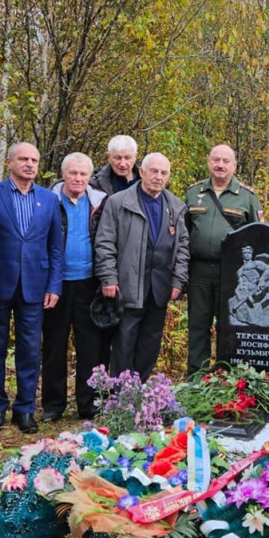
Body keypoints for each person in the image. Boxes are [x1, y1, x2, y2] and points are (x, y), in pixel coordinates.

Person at [0, 142, 63, 435]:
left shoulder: (49, 199)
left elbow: (55, 247)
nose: (29, 164)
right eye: (24, 159)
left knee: (29, 349)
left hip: (35, 286)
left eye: (34, 160)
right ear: (9, 162)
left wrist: (54, 284)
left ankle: (25, 408)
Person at [94, 152, 190, 379]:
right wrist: (108, 278)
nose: (158, 177)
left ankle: (141, 389)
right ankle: (121, 392)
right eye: (154, 171)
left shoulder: (176, 206)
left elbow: (183, 247)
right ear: (142, 172)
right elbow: (105, 243)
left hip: (159, 288)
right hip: (128, 285)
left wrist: (178, 281)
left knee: (150, 342)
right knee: (124, 341)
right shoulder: (118, 202)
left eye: (164, 173)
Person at [40, 152, 108, 422]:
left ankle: (87, 404)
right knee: (54, 346)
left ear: (90, 176)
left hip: (89, 282)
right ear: (63, 174)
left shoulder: (100, 202)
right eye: (73, 173)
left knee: (90, 346)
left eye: (83, 174)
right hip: (55, 284)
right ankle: (53, 405)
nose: (78, 178)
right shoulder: (48, 200)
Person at [184, 144, 262, 375]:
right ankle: (197, 377)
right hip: (199, 270)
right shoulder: (193, 193)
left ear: (234, 165)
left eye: (226, 161)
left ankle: (228, 377)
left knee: (231, 324)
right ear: (208, 162)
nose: (220, 165)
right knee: (198, 324)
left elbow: (258, 237)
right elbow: (183, 233)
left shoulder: (247, 197)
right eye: (216, 160)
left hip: (233, 273)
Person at [228, 246, 269, 328]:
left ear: (251, 254)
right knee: (231, 304)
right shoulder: (240, 269)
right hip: (242, 291)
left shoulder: (255, 263)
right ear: (242, 255)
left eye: (249, 253)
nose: (247, 254)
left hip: (255, 289)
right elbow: (240, 280)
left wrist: (262, 280)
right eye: (245, 253)